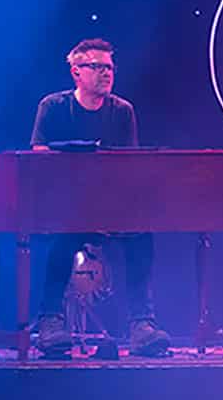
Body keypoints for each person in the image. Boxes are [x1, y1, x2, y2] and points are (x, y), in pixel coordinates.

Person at [28, 38, 168, 357]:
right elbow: (38, 155)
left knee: (141, 235)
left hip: (110, 205)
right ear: (76, 72)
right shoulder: (53, 106)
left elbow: (127, 163)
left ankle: (141, 324)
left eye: (109, 67)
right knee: (61, 238)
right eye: (97, 67)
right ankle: (50, 321)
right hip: (64, 205)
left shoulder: (122, 111)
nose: (106, 73)